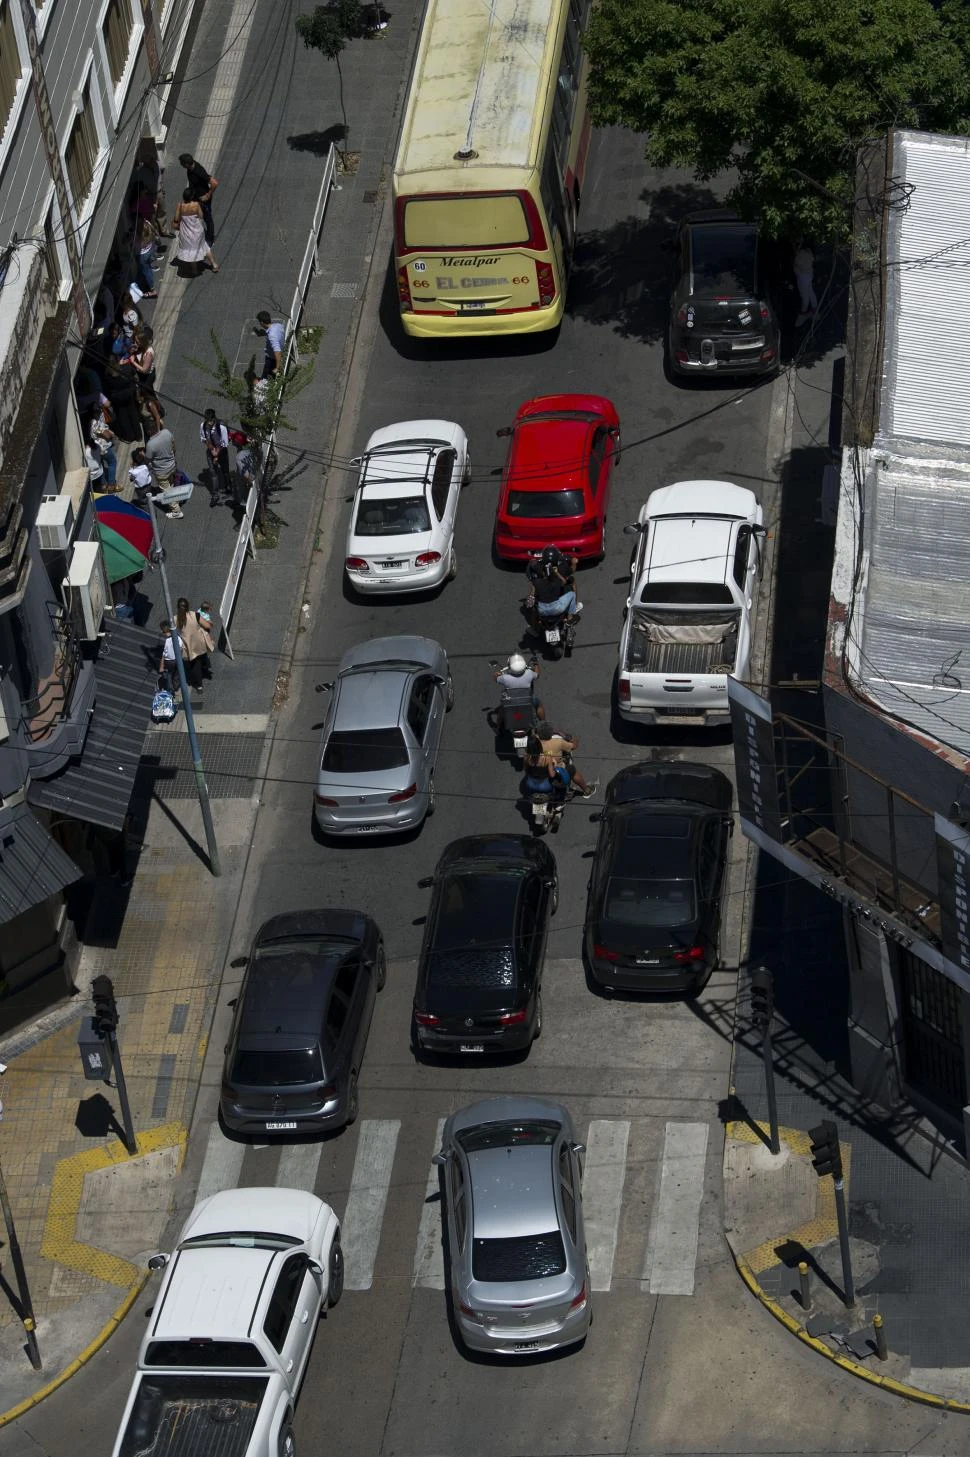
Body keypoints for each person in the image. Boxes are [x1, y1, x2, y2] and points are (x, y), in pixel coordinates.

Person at [533, 725, 596, 798]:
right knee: (572, 770)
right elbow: (574, 746)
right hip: (554, 771)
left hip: (539, 772)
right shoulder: (558, 742)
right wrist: (573, 738)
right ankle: (587, 790)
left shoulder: (533, 744)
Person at [174, 188, 218, 273]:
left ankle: (194, 270)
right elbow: (201, 216)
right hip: (197, 229)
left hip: (186, 231)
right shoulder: (196, 205)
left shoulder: (180, 205)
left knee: (191, 249)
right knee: (204, 246)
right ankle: (214, 264)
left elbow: (176, 219)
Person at [145, 423, 183, 517]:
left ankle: (176, 511)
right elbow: (174, 446)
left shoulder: (150, 444)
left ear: (149, 431)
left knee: (166, 491)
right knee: (171, 484)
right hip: (172, 465)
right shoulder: (166, 433)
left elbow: (148, 459)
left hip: (161, 471)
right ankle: (176, 499)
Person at [494, 652, 545, 721]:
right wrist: (535, 664)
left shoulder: (504, 678)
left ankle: (499, 726)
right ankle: (544, 723)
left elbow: (496, 679)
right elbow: (537, 674)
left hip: (511, 701)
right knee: (538, 705)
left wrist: (496, 673)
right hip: (527, 700)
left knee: (501, 709)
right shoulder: (529, 673)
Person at [179, 154, 218, 243]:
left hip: (203, 199)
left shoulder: (198, 171)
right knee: (195, 216)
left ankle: (210, 237)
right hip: (195, 197)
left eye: (182, 163)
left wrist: (207, 195)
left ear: (187, 164)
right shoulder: (190, 168)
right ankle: (200, 234)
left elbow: (214, 183)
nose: (181, 165)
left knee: (207, 218)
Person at [176, 597, 211, 692]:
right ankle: (206, 669)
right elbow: (207, 625)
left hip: (188, 647)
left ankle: (199, 686)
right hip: (200, 643)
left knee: (195, 666)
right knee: (203, 656)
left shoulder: (175, 619)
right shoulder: (195, 615)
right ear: (188, 606)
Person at [200, 409, 231, 504]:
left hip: (221, 451)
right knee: (213, 473)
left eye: (210, 421)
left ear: (214, 418)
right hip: (211, 451)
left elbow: (224, 443)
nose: (208, 423)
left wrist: (217, 455)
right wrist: (211, 449)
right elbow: (205, 439)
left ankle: (228, 485)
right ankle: (215, 494)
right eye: (207, 420)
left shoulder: (221, 427)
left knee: (225, 470)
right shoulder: (203, 426)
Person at [90, 404, 117, 487]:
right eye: (98, 412)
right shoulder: (95, 423)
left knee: (101, 465)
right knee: (112, 462)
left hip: (96, 448)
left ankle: (104, 485)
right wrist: (111, 434)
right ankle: (111, 484)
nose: (100, 413)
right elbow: (107, 435)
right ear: (94, 413)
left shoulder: (89, 422)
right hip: (103, 447)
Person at [158, 620, 186, 694]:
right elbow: (181, 649)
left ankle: (169, 689)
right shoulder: (178, 638)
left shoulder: (166, 641)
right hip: (177, 659)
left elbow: (164, 654)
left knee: (169, 674)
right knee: (177, 673)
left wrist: (161, 665)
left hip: (169, 661)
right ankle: (176, 686)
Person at [793, 240, 818, 326]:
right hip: (809, 275)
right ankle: (814, 311)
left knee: (805, 297)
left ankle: (803, 315)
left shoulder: (800, 253)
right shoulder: (809, 251)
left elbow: (797, 264)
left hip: (802, 277)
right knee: (810, 292)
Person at [256, 311, 286, 378]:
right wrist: (264, 334)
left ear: (262, 322)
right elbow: (277, 336)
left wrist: (277, 368)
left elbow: (277, 352)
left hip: (272, 359)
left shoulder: (271, 335)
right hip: (279, 353)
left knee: (265, 377)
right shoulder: (278, 325)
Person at [133, 220, 158, 297]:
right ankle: (150, 286)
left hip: (142, 255)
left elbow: (130, 243)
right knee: (147, 266)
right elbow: (155, 231)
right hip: (151, 249)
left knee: (146, 271)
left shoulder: (138, 238)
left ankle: (152, 289)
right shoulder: (147, 224)